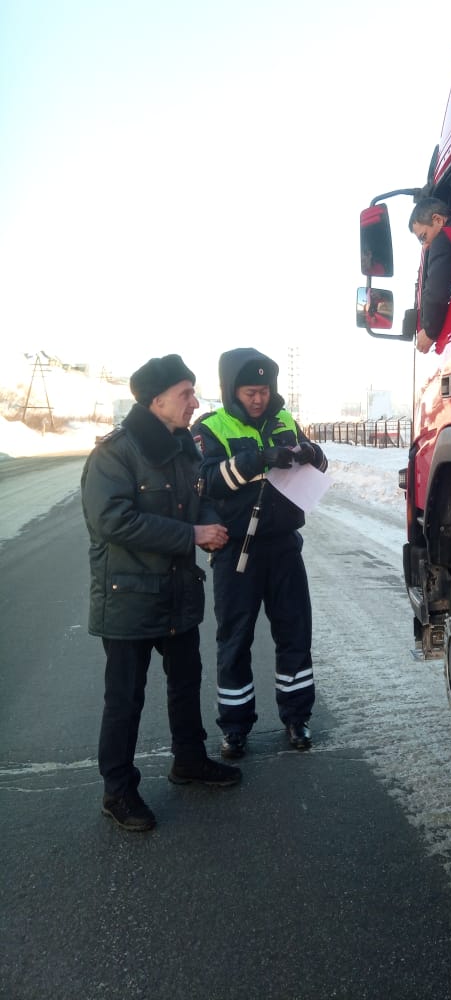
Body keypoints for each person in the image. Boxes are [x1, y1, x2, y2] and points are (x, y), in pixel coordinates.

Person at [81, 354, 242, 833]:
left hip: (177, 591)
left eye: (193, 392)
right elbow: (112, 520)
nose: (195, 402)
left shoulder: (184, 448)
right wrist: (193, 534)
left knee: (185, 682)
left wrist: (213, 519)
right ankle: (118, 790)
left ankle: (189, 760)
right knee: (125, 697)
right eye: (185, 394)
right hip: (128, 595)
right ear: (157, 401)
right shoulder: (115, 452)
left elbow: (201, 495)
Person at [192, 347, 328, 759]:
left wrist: (311, 454)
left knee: (295, 634)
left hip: (284, 546)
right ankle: (235, 728)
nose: (258, 399)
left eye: (264, 391)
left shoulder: (285, 419)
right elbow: (205, 481)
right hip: (237, 552)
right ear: (233, 390)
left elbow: (317, 462)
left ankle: (296, 718)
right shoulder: (210, 427)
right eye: (251, 392)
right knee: (235, 639)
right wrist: (256, 461)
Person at [409, 195, 451, 354]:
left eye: (424, 237)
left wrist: (429, 330)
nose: (425, 246)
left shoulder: (442, 240)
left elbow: (436, 291)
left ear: (438, 220)